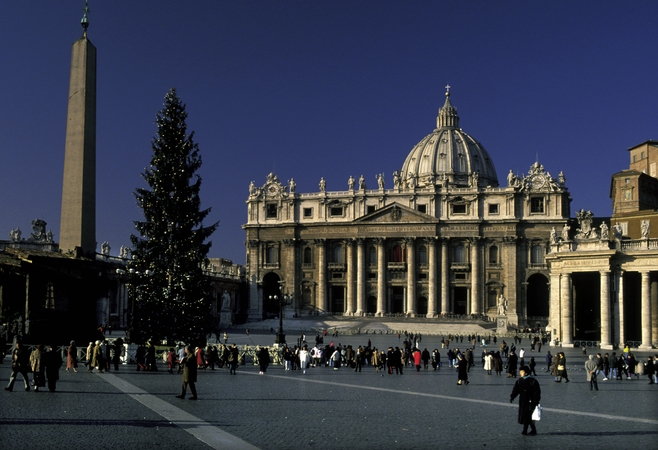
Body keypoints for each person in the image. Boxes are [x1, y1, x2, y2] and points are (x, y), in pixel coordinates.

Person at [510, 365, 541, 435]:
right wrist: (512, 396)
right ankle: (533, 430)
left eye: (522, 372)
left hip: (531, 401)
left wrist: (536, 400)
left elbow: (537, 392)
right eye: (520, 372)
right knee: (525, 415)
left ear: (526, 373)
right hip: (522, 401)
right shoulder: (519, 381)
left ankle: (525, 430)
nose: (520, 373)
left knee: (528, 415)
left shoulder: (533, 381)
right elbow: (516, 390)